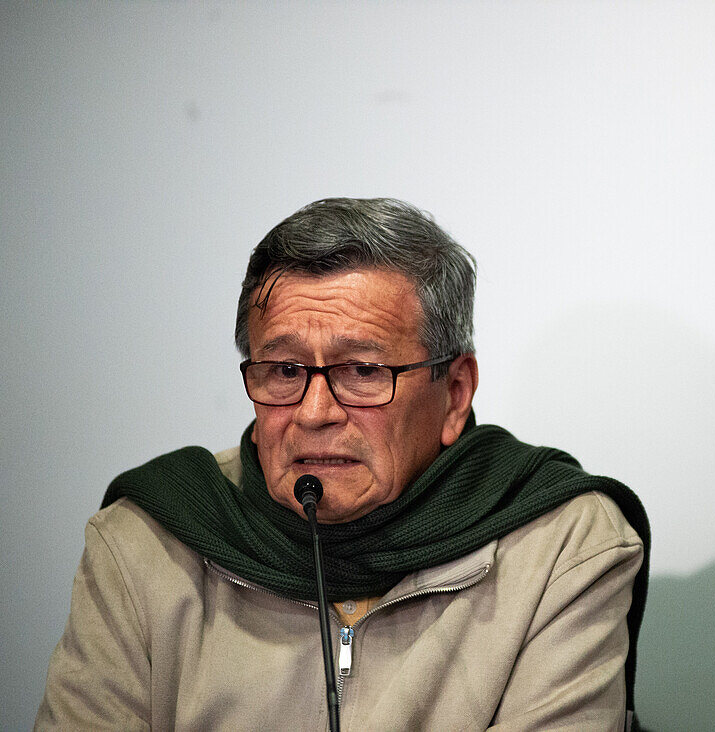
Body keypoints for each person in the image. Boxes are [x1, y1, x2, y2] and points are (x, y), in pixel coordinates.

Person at [36, 198, 649, 730]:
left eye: (362, 371)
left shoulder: (564, 546)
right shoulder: (145, 542)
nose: (314, 412)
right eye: (284, 370)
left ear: (455, 392)